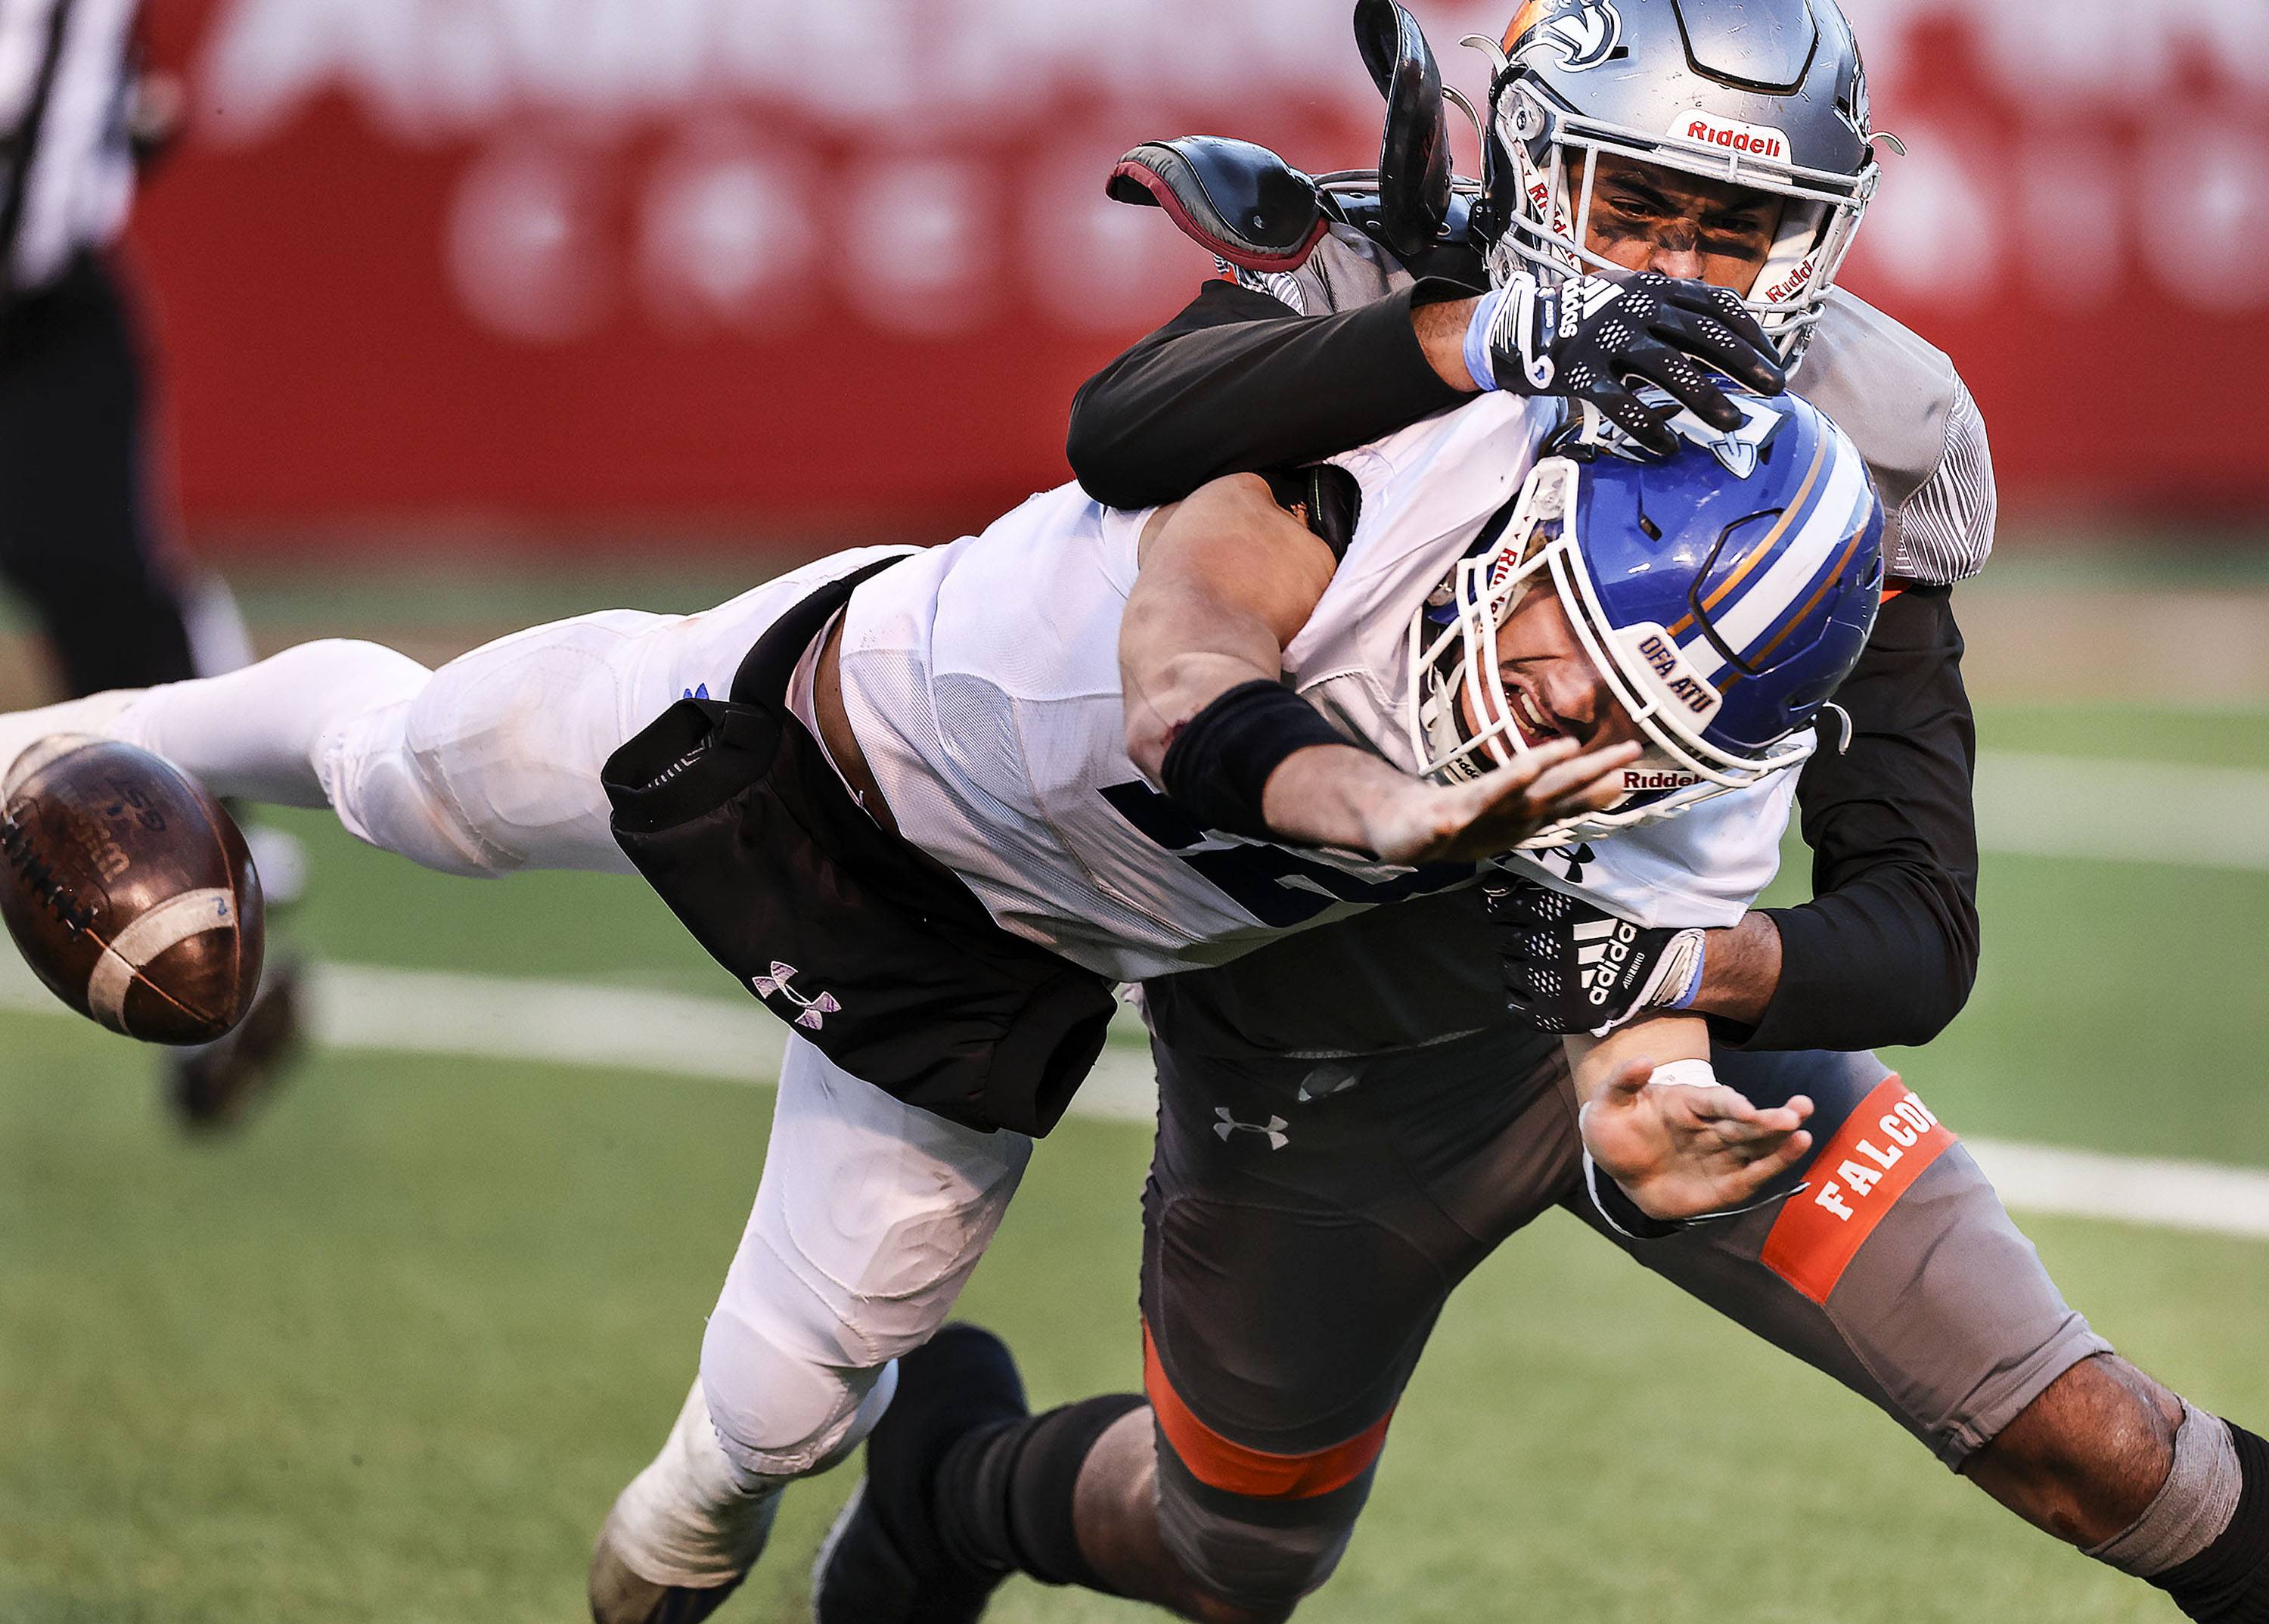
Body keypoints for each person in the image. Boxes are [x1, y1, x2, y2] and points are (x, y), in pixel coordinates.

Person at [804, 2, 2269, 1622]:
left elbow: (1918, 929)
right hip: (1327, 1059)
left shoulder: (1864, 434)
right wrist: (1461, 341)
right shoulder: (1388, 294)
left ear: (1823, 231)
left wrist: (1656, 983)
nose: (1682, 272)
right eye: (1636, 203)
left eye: (1744, 227)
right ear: (1532, 168)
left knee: (2108, 1447)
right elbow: (1121, 432)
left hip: (1682, 1042)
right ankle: (953, 1486)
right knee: (1235, 1556)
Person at [0, 381, 1880, 1621]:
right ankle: (34, 747)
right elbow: (1189, 689)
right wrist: (1378, 803)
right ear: (1547, 518)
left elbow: (1643, 1024)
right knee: (401, 765)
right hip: (814, 715)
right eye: (1577, 651)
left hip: (993, 967)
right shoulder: (1386, 466)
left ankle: (693, 1543)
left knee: (750, 1448)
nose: (1562, 714)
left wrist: (1646, 1100)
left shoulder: (1694, 777)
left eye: (1634, 720)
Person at [1, 0, 298, 1126]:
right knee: (103, 582)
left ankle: (218, 869)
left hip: (44, 315)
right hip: (44, 298)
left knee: (107, 586)